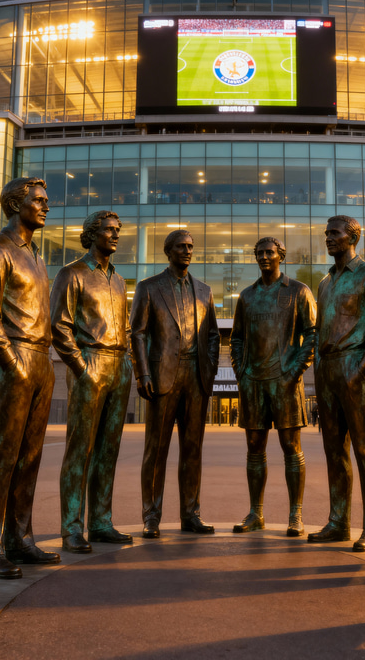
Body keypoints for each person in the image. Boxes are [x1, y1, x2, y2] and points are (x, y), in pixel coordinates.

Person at [0, 178, 60, 578]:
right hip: (15, 359)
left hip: (41, 360)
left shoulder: (37, 257)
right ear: (15, 204)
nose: (45, 207)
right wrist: (10, 360)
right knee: (1, 457)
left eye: (46, 201)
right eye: (38, 200)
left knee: (29, 458)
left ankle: (20, 539)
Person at [51, 210, 133, 554]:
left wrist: (126, 361)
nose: (115, 235)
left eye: (117, 230)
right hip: (91, 363)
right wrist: (81, 366)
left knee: (108, 451)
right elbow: (59, 326)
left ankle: (100, 522)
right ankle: (72, 527)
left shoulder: (118, 279)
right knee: (80, 451)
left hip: (119, 366)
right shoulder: (72, 274)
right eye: (109, 230)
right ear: (92, 234)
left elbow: (125, 326)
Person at [131, 229, 220, 538]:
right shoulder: (149, 287)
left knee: (193, 449)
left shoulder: (204, 290)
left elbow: (212, 335)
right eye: (181, 246)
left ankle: (191, 514)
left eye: (190, 246)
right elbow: (138, 333)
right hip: (162, 376)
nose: (187, 251)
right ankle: (151, 516)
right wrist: (143, 373)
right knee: (156, 449)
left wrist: (207, 372)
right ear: (168, 251)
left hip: (196, 377)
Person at [309, 216, 365, 551]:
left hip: (356, 366)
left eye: (335, 233)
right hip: (327, 370)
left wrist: (361, 369)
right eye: (326, 233)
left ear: (352, 237)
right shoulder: (325, 283)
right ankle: (338, 521)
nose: (328, 238)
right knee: (333, 451)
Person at [230, 237, 316, 536]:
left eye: (270, 252)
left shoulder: (298, 291)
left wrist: (293, 372)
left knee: (291, 447)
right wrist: (240, 370)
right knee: (254, 447)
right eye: (260, 253)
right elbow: (237, 337)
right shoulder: (247, 296)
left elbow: (312, 336)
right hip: (253, 381)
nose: (265, 257)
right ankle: (256, 513)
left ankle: (296, 515)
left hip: (285, 381)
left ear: (281, 256)